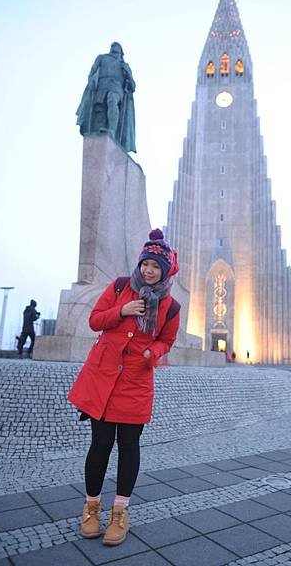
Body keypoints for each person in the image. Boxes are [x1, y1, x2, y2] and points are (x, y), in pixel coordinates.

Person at [68, 229, 180, 546]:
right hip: (103, 378)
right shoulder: (119, 287)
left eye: (156, 266)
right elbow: (95, 320)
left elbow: (166, 341)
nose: (148, 270)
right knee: (101, 444)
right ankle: (91, 507)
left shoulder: (171, 306)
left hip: (135, 381)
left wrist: (152, 353)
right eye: (145, 263)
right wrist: (122, 311)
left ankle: (120, 512)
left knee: (129, 447)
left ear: (165, 270)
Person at [76, 41, 136, 153]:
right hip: (102, 87)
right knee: (101, 111)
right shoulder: (102, 58)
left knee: (112, 100)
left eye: (117, 49)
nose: (115, 49)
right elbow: (92, 72)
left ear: (121, 53)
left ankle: (112, 130)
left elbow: (133, 86)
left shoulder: (124, 65)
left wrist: (128, 74)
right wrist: (92, 81)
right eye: (114, 48)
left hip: (116, 88)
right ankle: (103, 131)